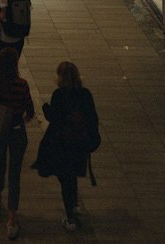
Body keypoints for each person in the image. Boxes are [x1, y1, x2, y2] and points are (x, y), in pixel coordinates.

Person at [36, 61, 100, 233]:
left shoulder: (59, 94)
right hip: (80, 144)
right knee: (72, 174)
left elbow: (55, 119)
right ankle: (74, 203)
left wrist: (46, 109)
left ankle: (70, 216)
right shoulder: (86, 94)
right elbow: (92, 117)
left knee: (66, 178)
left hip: (64, 144)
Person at [0, 45, 34, 241]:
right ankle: (11, 219)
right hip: (17, 129)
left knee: (0, 161)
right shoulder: (22, 84)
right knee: (15, 173)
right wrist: (23, 118)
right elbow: (30, 109)